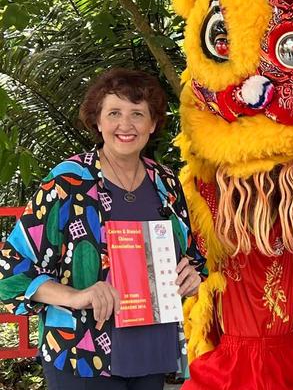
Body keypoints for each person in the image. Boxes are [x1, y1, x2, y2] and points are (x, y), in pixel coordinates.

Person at [0, 68, 205, 390]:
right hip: (81, 353)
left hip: (152, 350)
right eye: (114, 113)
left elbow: (192, 257)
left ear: (152, 124)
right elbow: (11, 270)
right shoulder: (68, 181)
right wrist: (77, 295)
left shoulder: (165, 182)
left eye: (138, 113)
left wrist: (191, 275)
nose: (126, 125)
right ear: (98, 121)